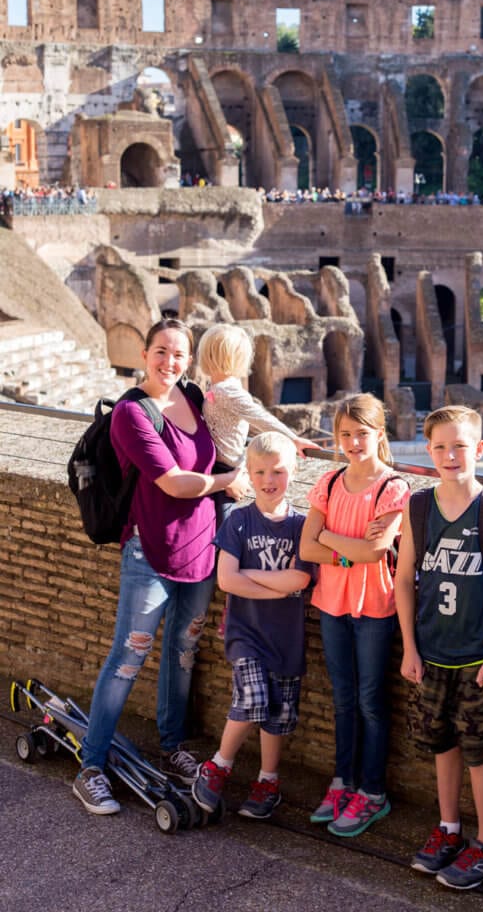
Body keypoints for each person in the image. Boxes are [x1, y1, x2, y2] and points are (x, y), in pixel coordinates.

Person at [72, 318, 248, 815]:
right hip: (149, 552)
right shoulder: (132, 413)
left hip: (201, 551)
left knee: (184, 651)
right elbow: (173, 483)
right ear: (144, 354)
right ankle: (91, 767)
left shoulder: (194, 398)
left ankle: (172, 746)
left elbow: (231, 431)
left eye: (178, 354)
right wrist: (228, 480)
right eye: (161, 351)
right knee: (128, 660)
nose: (169, 361)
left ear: (188, 360)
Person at [394, 405, 483, 890]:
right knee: (440, 743)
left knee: (479, 751)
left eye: (460, 446)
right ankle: (449, 829)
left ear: (479, 449)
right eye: (441, 447)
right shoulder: (419, 507)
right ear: (428, 451)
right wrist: (409, 647)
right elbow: (404, 579)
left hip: (477, 659)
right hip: (430, 654)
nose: (451, 455)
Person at [299, 393, 410, 837]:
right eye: (345, 434)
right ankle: (343, 781)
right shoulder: (328, 482)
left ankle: (373, 791)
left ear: (379, 434)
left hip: (374, 607)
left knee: (370, 700)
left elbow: (377, 550)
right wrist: (347, 552)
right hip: (332, 603)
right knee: (343, 697)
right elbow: (307, 548)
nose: (352, 442)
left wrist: (328, 535)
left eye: (362, 434)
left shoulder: (392, 487)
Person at [192, 432, 315, 819]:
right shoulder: (239, 521)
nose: (268, 479)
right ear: (248, 472)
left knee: (278, 713)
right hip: (246, 633)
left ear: (292, 472)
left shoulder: (301, 526)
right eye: (260, 471)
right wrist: (276, 588)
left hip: (287, 637)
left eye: (278, 470)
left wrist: (252, 575)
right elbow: (227, 580)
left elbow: (300, 580)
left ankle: (268, 781)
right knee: (254, 699)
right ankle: (217, 767)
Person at [197, 323, 314, 524]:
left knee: (223, 528)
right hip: (218, 465)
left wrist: (293, 440)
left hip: (225, 467)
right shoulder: (217, 386)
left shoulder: (226, 391)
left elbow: (260, 417)